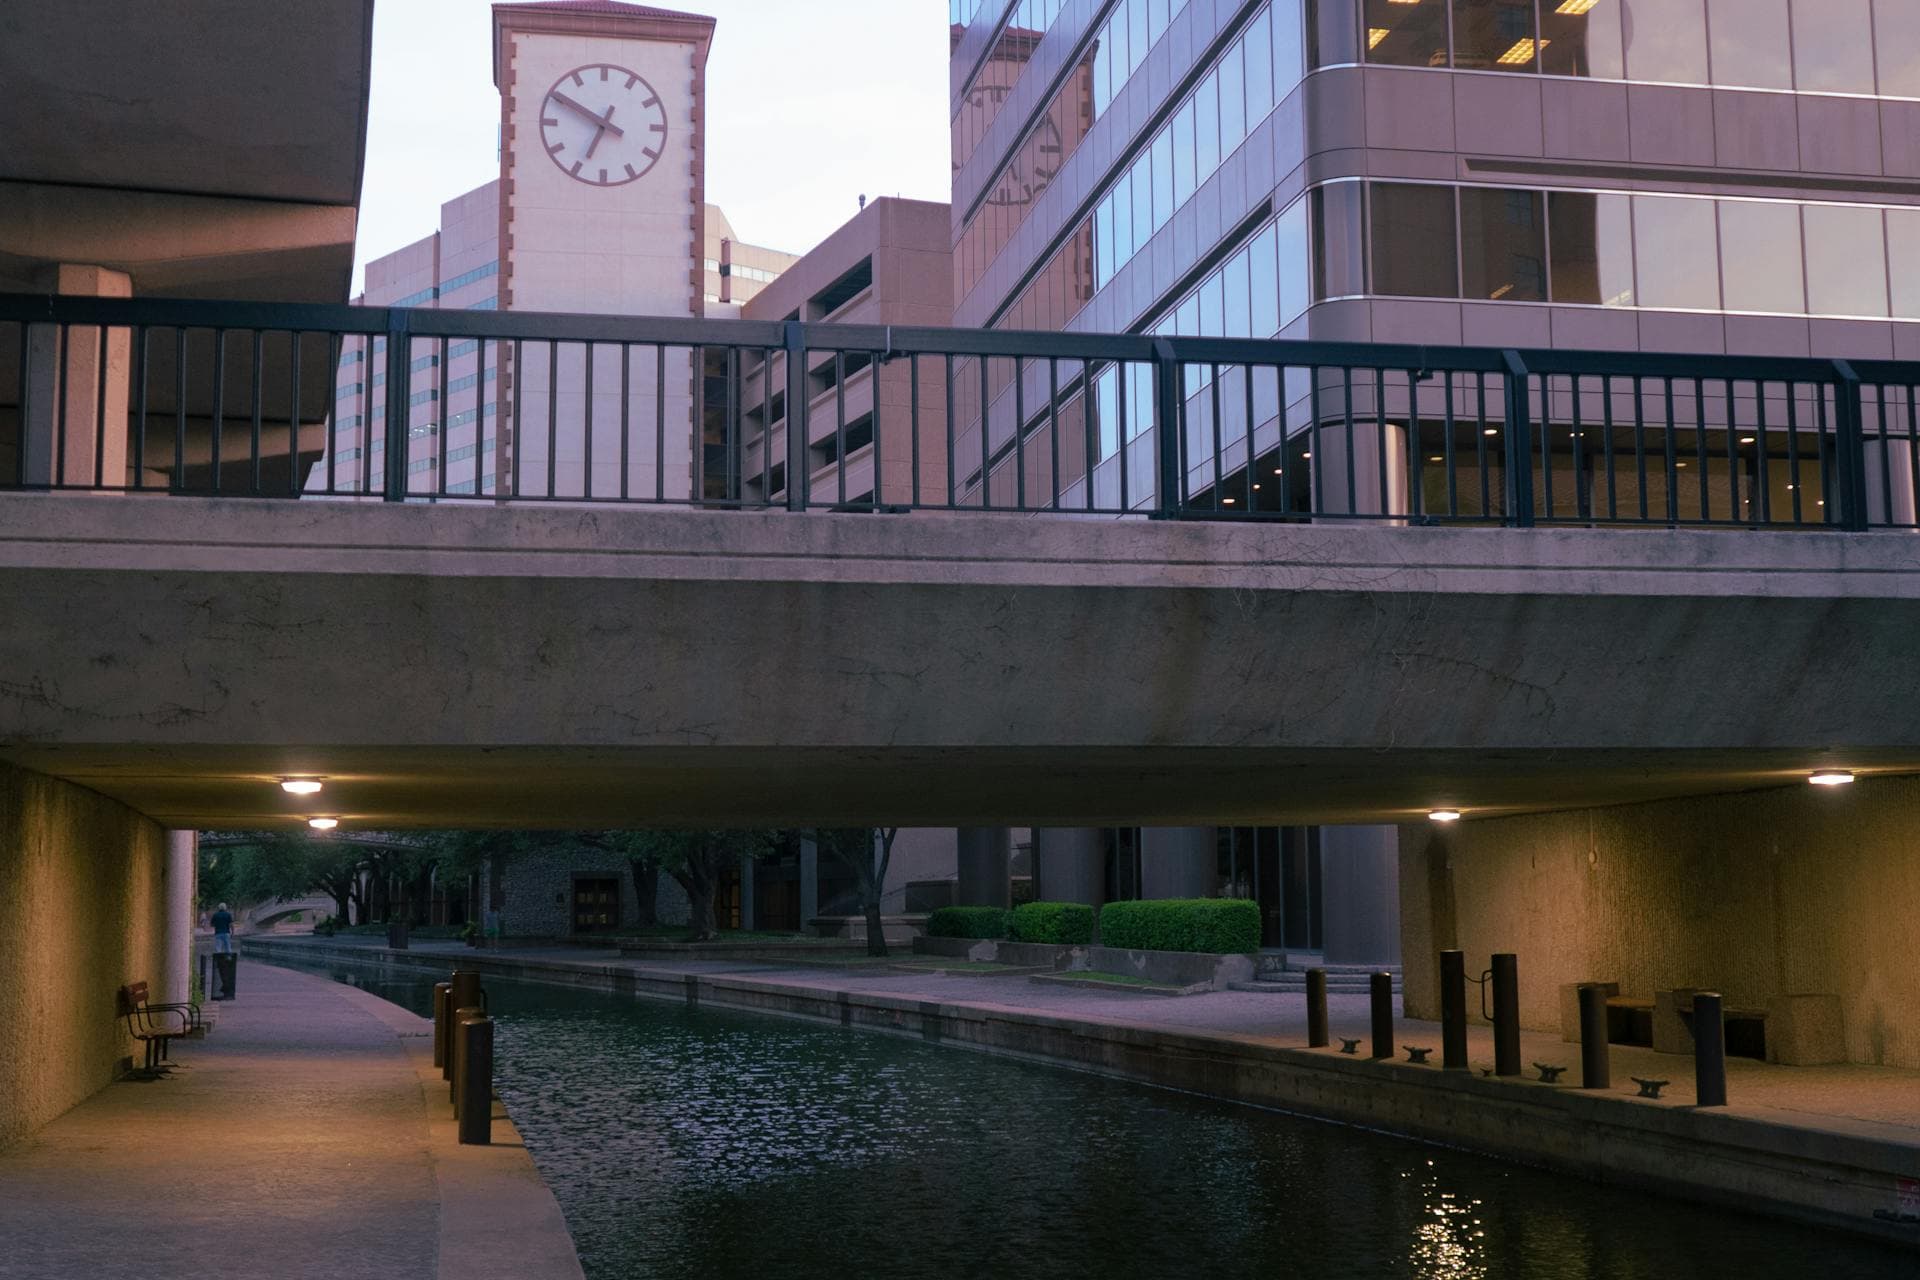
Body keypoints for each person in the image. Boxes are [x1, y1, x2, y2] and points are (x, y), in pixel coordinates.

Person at [211, 903, 235, 1000]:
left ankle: (218, 959)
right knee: (228, 947)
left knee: (218, 948)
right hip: (226, 933)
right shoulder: (228, 915)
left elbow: (212, 924)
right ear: (225, 908)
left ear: (218, 908)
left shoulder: (216, 915)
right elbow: (231, 924)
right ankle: (229, 958)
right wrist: (233, 932)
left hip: (218, 933)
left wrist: (217, 924)